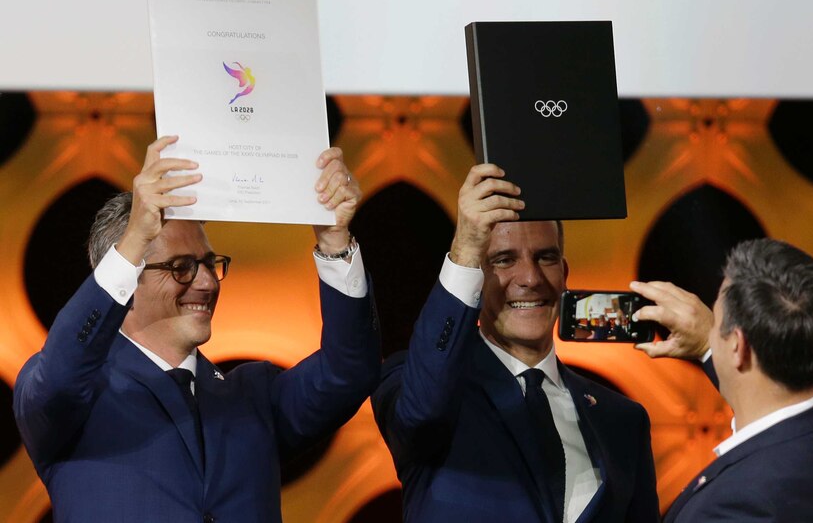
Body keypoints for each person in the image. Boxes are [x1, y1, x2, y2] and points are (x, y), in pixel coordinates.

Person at [13, 135, 381, 522]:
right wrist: (135, 237)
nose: (207, 282)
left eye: (210, 262)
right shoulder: (73, 398)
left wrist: (335, 240)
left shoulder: (254, 396)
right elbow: (63, 370)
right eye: (181, 267)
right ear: (130, 276)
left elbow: (349, 371)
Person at [373, 164, 660, 523]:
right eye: (504, 260)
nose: (531, 278)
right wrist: (465, 249)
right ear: (476, 275)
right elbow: (418, 415)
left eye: (546, 257)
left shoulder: (623, 420)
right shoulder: (425, 388)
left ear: (565, 274)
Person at [632, 238, 813, 522]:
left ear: (738, 347)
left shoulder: (727, 509)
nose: (711, 331)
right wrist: (709, 346)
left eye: (715, 323)